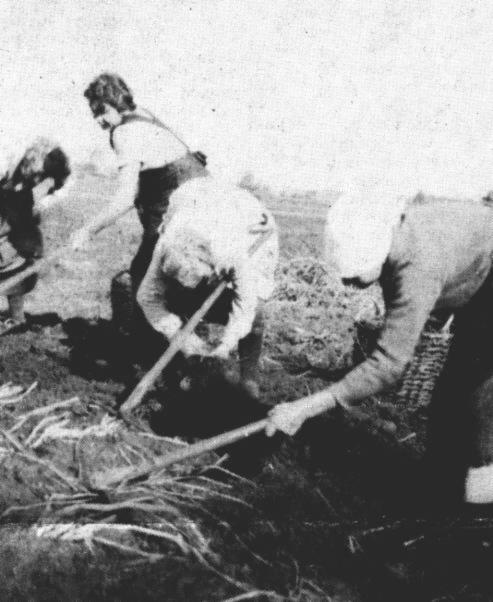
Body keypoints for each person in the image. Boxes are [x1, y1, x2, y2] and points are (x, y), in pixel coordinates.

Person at [265, 184, 493, 507]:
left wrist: (307, 407)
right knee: (451, 386)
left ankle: (479, 485)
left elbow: (389, 364)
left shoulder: (417, 267)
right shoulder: (395, 240)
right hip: (481, 268)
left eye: (355, 277)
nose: (349, 284)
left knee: (475, 379)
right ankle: (443, 478)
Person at [71, 73, 208, 330]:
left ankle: (138, 353)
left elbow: (124, 197)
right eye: (94, 114)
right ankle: (185, 346)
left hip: (181, 216)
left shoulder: (125, 133)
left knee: (140, 280)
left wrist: (88, 230)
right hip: (206, 210)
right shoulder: (146, 117)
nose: (99, 119)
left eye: (102, 110)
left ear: (116, 101)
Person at [136, 177, 279, 398]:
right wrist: (185, 341)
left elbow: (246, 304)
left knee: (256, 315)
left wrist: (225, 346)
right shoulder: (166, 243)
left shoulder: (233, 254)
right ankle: (187, 367)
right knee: (176, 298)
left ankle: (249, 381)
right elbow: (146, 297)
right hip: (194, 198)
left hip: (252, 226)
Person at [0, 138, 70, 329]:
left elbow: (63, 185)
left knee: (20, 251)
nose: (38, 181)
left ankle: (17, 317)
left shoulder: (57, 168)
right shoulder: (5, 160)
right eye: (37, 175)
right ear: (27, 163)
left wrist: (44, 202)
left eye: (43, 177)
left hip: (15, 195)